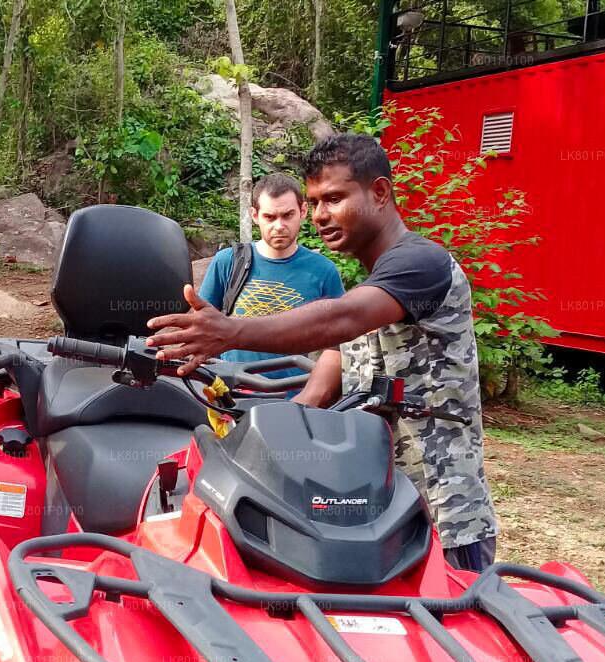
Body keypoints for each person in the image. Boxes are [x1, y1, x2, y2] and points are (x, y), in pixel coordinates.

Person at [146, 133, 498, 572]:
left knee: (455, 635)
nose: (319, 216)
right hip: (386, 508)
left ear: (380, 193)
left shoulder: (421, 264)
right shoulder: (378, 281)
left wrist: (230, 331)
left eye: (333, 198)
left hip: (446, 512)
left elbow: (339, 320)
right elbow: (338, 354)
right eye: (313, 202)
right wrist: (283, 422)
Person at [197, 173, 344, 388]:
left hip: (293, 397)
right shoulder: (228, 262)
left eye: (287, 215)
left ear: (303, 212)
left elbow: (336, 345)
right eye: (270, 217)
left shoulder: (323, 271)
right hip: (230, 394)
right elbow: (202, 325)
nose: (279, 225)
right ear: (255, 215)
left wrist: (317, 393)